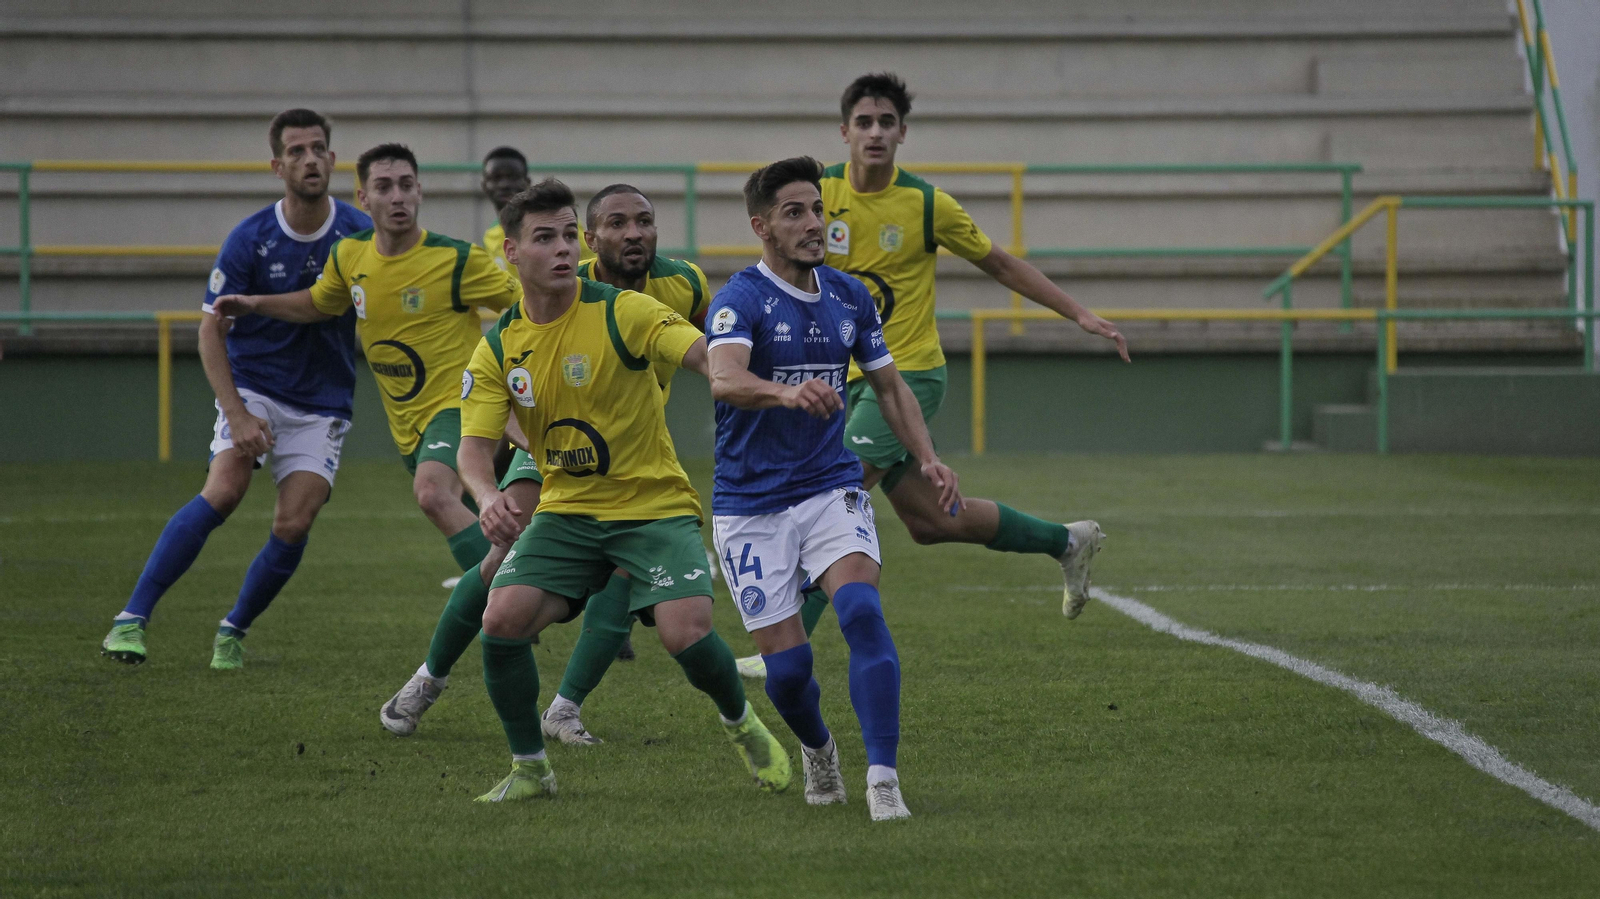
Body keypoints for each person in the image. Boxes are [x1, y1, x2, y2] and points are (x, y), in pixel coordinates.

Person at [736, 73, 1118, 678]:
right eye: (864, 122)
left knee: (833, 488)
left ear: (903, 133)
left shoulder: (926, 204)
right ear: (844, 131)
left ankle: (781, 651)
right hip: (840, 375)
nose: (875, 133)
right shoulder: (816, 195)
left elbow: (1000, 264)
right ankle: (1068, 541)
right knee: (930, 521)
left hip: (906, 374)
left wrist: (1079, 314)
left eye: (886, 123)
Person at [459, 179, 788, 801]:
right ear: (512, 252)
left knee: (685, 635)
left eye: (567, 235)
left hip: (652, 506)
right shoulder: (499, 344)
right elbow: (473, 450)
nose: (561, 249)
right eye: (544, 238)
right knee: (499, 621)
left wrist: (762, 385)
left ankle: (741, 722)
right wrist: (486, 496)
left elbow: (704, 354)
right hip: (568, 510)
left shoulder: (624, 310)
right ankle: (531, 769)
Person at [380, 183, 713, 740]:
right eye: (617, 225)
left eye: (643, 221)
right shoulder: (559, 285)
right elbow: (507, 380)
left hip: (633, 454)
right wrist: (540, 442)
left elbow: (712, 342)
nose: (633, 234)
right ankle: (428, 678)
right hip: (555, 449)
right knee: (499, 559)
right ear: (592, 239)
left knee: (626, 570)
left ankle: (564, 710)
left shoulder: (684, 282)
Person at [708, 156, 956, 820]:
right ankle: (819, 748)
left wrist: (928, 458)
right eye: (794, 212)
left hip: (829, 488)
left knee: (862, 612)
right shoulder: (740, 299)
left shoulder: (849, 296)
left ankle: (883, 777)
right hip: (749, 506)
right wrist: (785, 393)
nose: (813, 223)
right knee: (789, 674)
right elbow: (724, 379)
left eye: (817, 209)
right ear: (761, 226)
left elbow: (889, 386)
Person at [100, 109, 370, 669]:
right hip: (256, 386)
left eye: (317, 149)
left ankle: (234, 629)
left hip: (323, 400)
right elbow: (210, 329)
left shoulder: (358, 234)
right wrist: (238, 413)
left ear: (332, 159)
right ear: (277, 166)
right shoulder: (250, 238)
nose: (309, 160)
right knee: (224, 490)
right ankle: (130, 619)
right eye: (295, 151)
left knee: (294, 522)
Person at [211, 143, 520, 600]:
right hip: (410, 425)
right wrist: (255, 303)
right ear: (363, 198)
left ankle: (515, 593)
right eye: (384, 187)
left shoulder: (457, 259)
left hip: (463, 406)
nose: (397, 197)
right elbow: (318, 303)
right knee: (496, 522)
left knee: (433, 493)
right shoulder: (349, 255)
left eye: (406, 185)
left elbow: (528, 306)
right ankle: (536, 599)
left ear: (420, 192)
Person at [478, 146, 593, 272]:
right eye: (496, 178)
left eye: (513, 177)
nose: (504, 184)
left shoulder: (562, 224)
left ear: (527, 182)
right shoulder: (490, 237)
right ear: (484, 185)